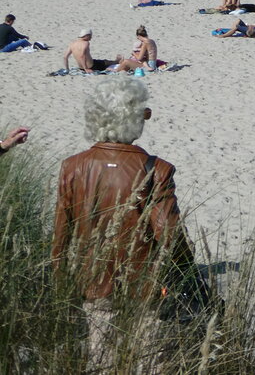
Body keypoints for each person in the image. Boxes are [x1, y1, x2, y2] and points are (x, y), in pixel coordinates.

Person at [53, 75, 206, 371]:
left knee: (101, 359)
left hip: (93, 281)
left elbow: (61, 236)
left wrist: (62, 284)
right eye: (144, 113)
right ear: (134, 118)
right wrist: (186, 270)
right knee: (149, 359)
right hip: (144, 285)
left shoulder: (72, 167)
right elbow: (169, 234)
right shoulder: (155, 169)